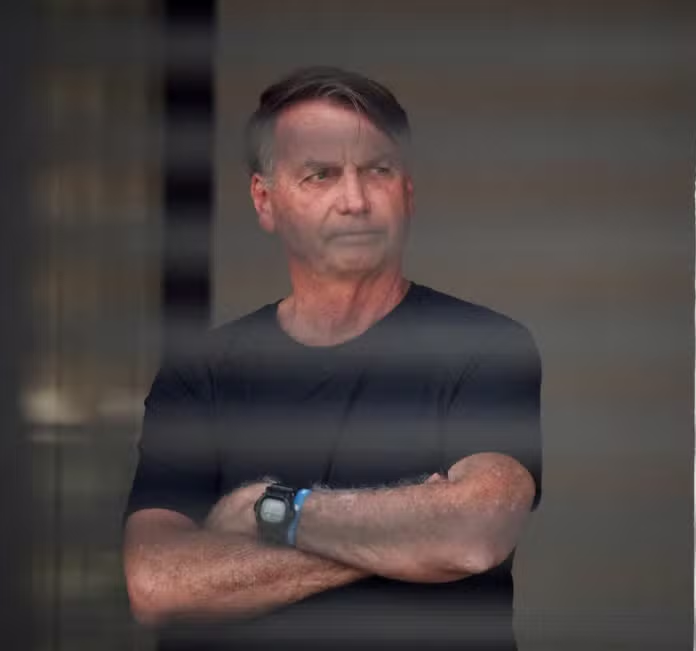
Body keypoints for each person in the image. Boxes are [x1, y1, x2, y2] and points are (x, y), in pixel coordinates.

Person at [122, 66, 543, 651]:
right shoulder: (201, 373)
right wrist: (413, 530)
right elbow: (157, 583)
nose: (355, 200)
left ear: (408, 192)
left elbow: (476, 531)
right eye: (320, 174)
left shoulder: (483, 346)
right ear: (265, 201)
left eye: (378, 170)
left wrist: (273, 513)